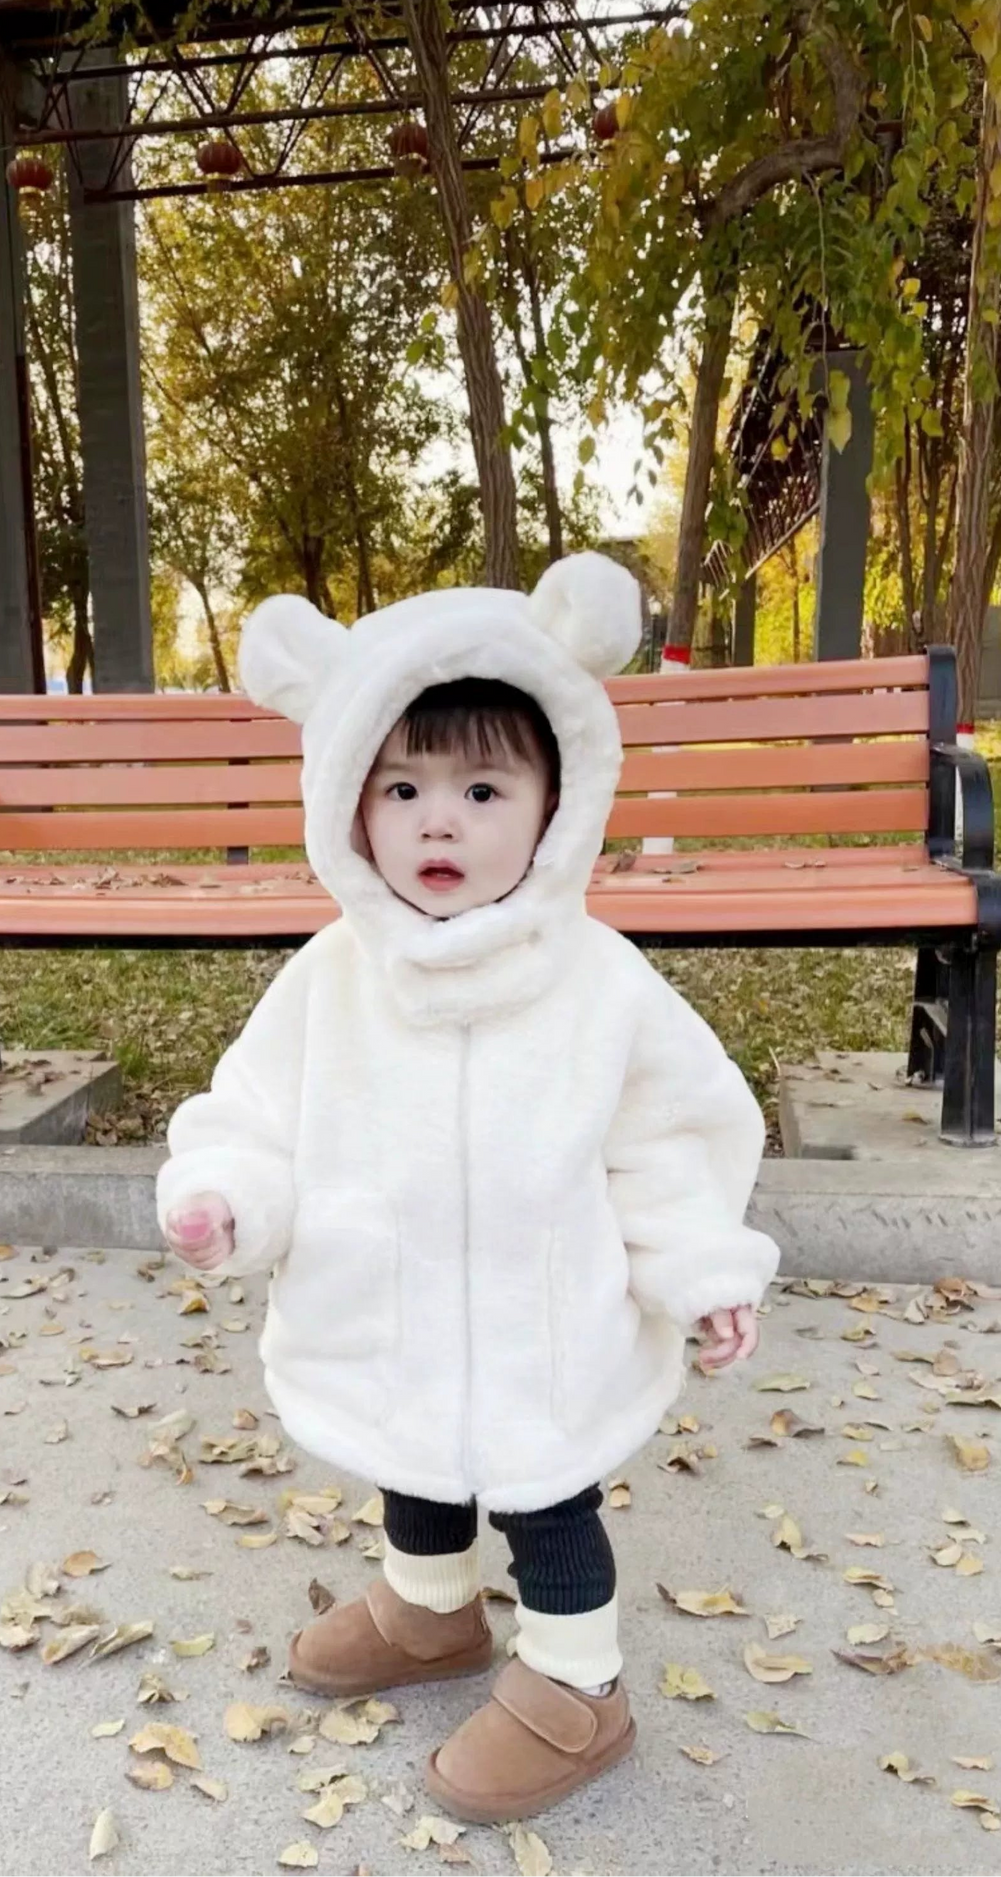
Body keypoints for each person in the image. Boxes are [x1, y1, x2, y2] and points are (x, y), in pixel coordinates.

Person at [156, 554, 780, 1823]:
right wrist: (226, 1194)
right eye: (401, 785)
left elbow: (660, 1141)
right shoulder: (331, 976)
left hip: (539, 1321)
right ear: (347, 802)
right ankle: (431, 1607)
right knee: (413, 1461)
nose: (438, 820)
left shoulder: (598, 983)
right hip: (387, 1305)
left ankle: (575, 1680)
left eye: (482, 786)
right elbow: (257, 1113)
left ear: (558, 804)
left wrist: (702, 1267)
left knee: (546, 1497)